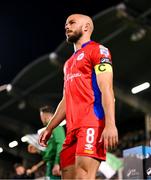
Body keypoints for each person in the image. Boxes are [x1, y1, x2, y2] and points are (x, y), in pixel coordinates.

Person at [39, 14, 118, 179]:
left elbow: (107, 88)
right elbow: (66, 99)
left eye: (72, 23)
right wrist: (50, 127)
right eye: (66, 24)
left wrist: (110, 124)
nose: (67, 27)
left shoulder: (98, 50)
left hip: (92, 123)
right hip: (72, 130)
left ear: (86, 27)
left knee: (83, 176)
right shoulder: (68, 63)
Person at [30, 105, 65, 180]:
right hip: (51, 166)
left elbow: (61, 144)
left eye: (41, 116)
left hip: (55, 166)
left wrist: (57, 163)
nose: (41, 118)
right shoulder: (49, 130)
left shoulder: (56, 127)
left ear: (45, 115)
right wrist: (38, 150)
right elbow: (49, 153)